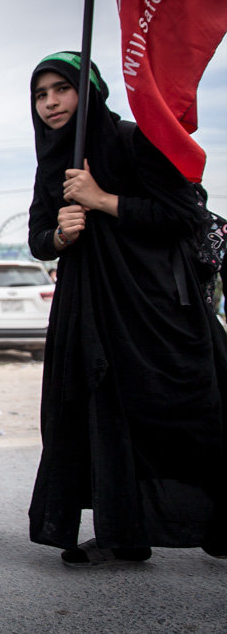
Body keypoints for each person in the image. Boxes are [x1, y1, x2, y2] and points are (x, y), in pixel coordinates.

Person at [26, 52, 227, 565]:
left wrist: (102, 199)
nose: (50, 102)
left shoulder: (134, 140)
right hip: (87, 308)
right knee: (98, 413)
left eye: (61, 89)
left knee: (176, 413)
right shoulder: (52, 160)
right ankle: (122, 530)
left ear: (88, 91)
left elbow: (182, 214)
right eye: (41, 94)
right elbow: (37, 239)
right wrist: (59, 233)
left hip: (150, 307)